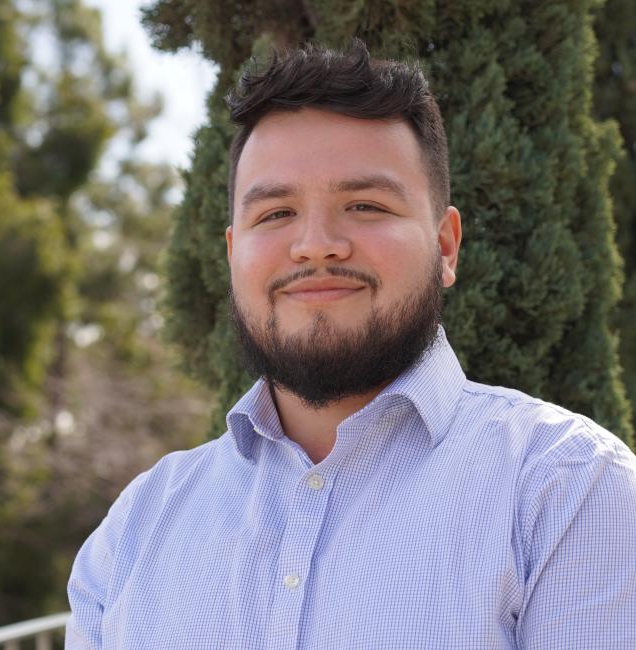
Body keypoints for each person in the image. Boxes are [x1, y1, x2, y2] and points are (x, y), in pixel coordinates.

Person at [65, 41, 636, 649]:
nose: (316, 245)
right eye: (276, 213)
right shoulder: (134, 531)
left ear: (445, 246)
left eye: (365, 205)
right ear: (234, 255)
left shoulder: (571, 493)